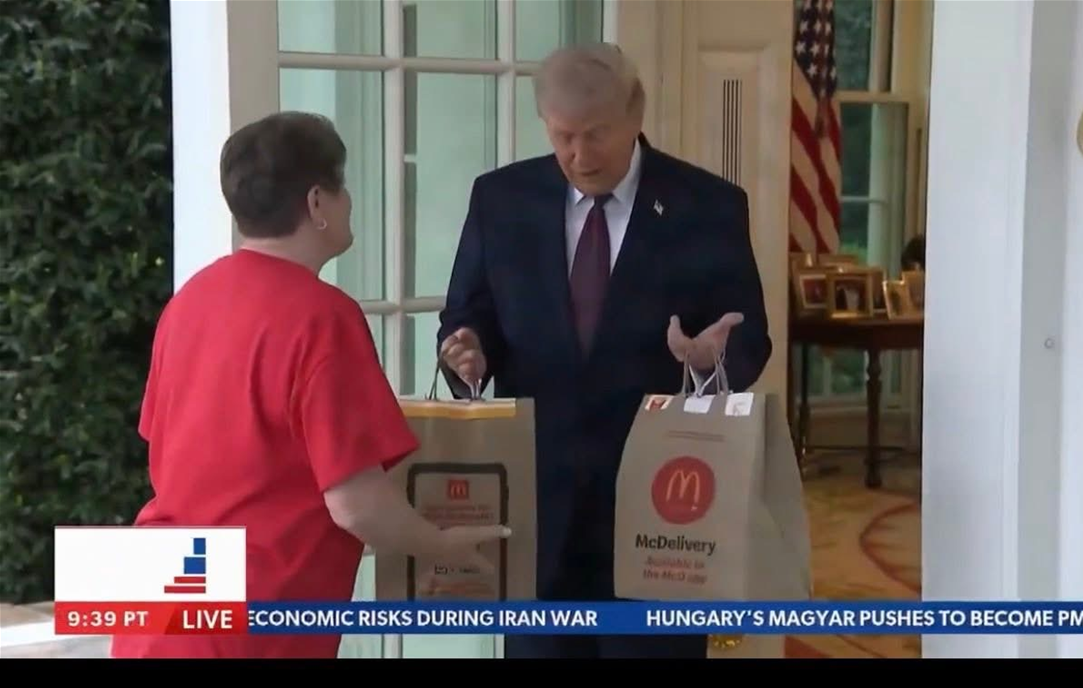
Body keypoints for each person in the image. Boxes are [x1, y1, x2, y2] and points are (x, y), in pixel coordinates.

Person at [109, 112, 508, 660]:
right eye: (342, 186)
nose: (349, 202)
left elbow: (169, 451)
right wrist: (441, 546)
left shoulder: (189, 301)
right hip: (253, 620)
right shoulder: (322, 317)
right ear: (317, 202)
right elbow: (355, 503)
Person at [437, 44, 772, 659]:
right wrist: (468, 353)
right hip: (537, 512)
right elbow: (467, 314)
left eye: (596, 135)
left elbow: (749, 339)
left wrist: (708, 363)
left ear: (635, 115)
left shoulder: (708, 205)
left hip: (662, 513)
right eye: (563, 136)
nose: (580, 155)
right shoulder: (501, 199)